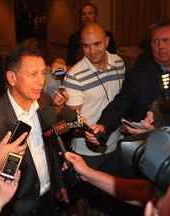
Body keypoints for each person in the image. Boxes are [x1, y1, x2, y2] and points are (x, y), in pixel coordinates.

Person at [0, 40, 67, 215]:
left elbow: (50, 148)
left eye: (43, 73)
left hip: (49, 202)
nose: (40, 81)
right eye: (33, 74)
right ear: (12, 78)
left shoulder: (45, 102)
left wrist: (59, 182)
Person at [53, 23, 125, 216]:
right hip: (87, 147)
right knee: (81, 189)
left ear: (107, 42)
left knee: (111, 187)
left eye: (97, 44)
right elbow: (73, 119)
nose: (91, 51)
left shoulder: (119, 63)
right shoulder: (74, 75)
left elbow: (124, 100)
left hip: (115, 141)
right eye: (86, 46)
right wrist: (80, 125)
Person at [88, 20, 170, 142]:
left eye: (166, 40)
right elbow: (119, 105)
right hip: (149, 149)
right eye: (155, 41)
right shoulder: (138, 76)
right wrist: (103, 125)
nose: (160, 46)